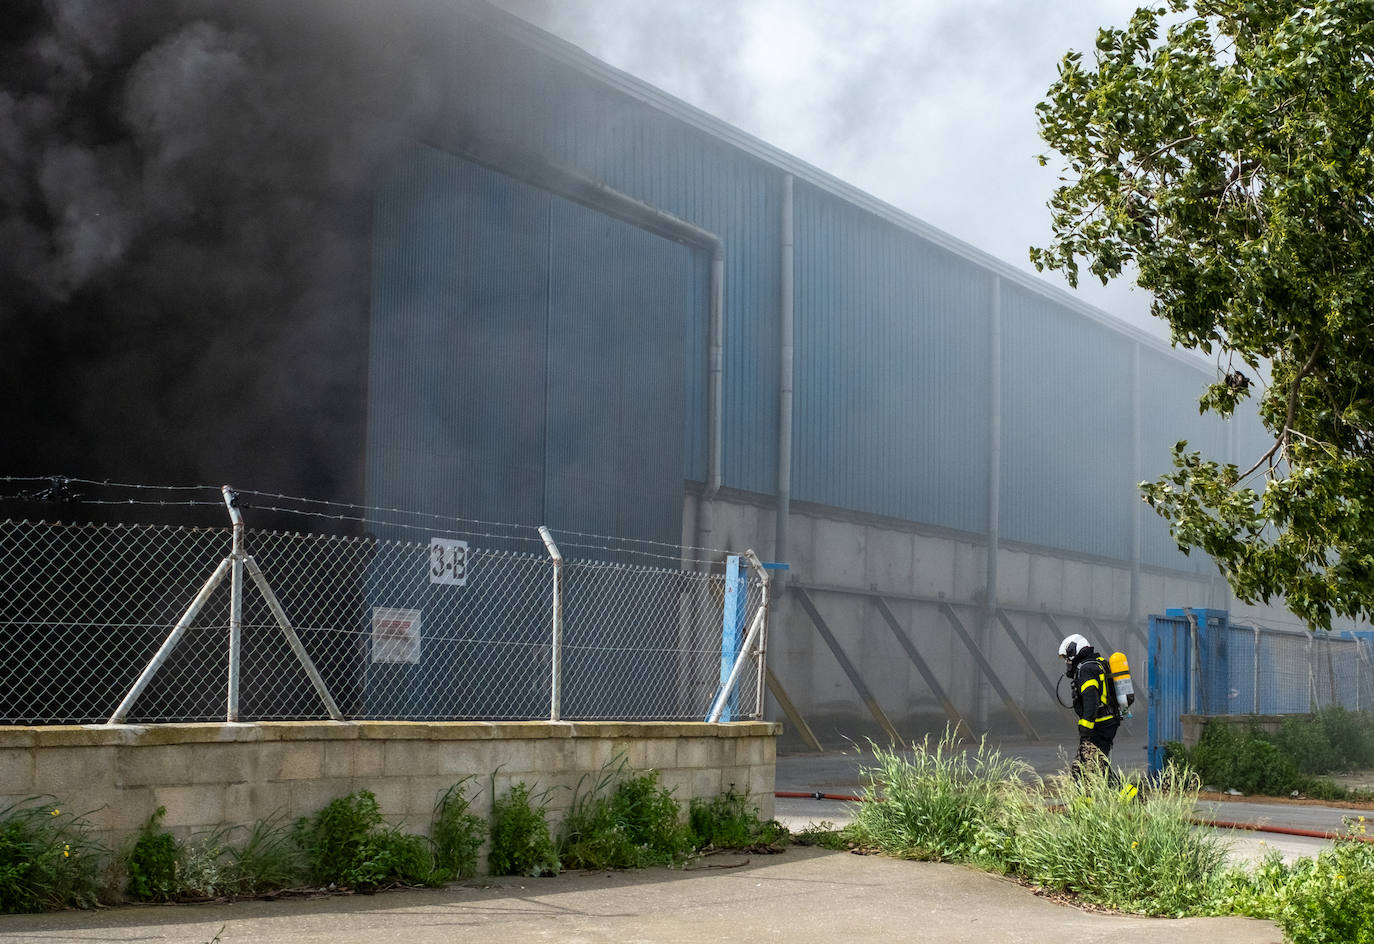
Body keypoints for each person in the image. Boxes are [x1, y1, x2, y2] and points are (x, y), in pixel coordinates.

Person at [1057, 633, 1125, 785]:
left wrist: (1085, 731)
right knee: (1091, 768)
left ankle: (1132, 799)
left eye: (1068, 657)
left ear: (1075, 651)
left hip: (1099, 726)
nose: (1067, 662)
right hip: (1108, 722)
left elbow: (1090, 701)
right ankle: (1087, 802)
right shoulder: (1099, 663)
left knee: (1086, 769)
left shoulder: (1086, 669)